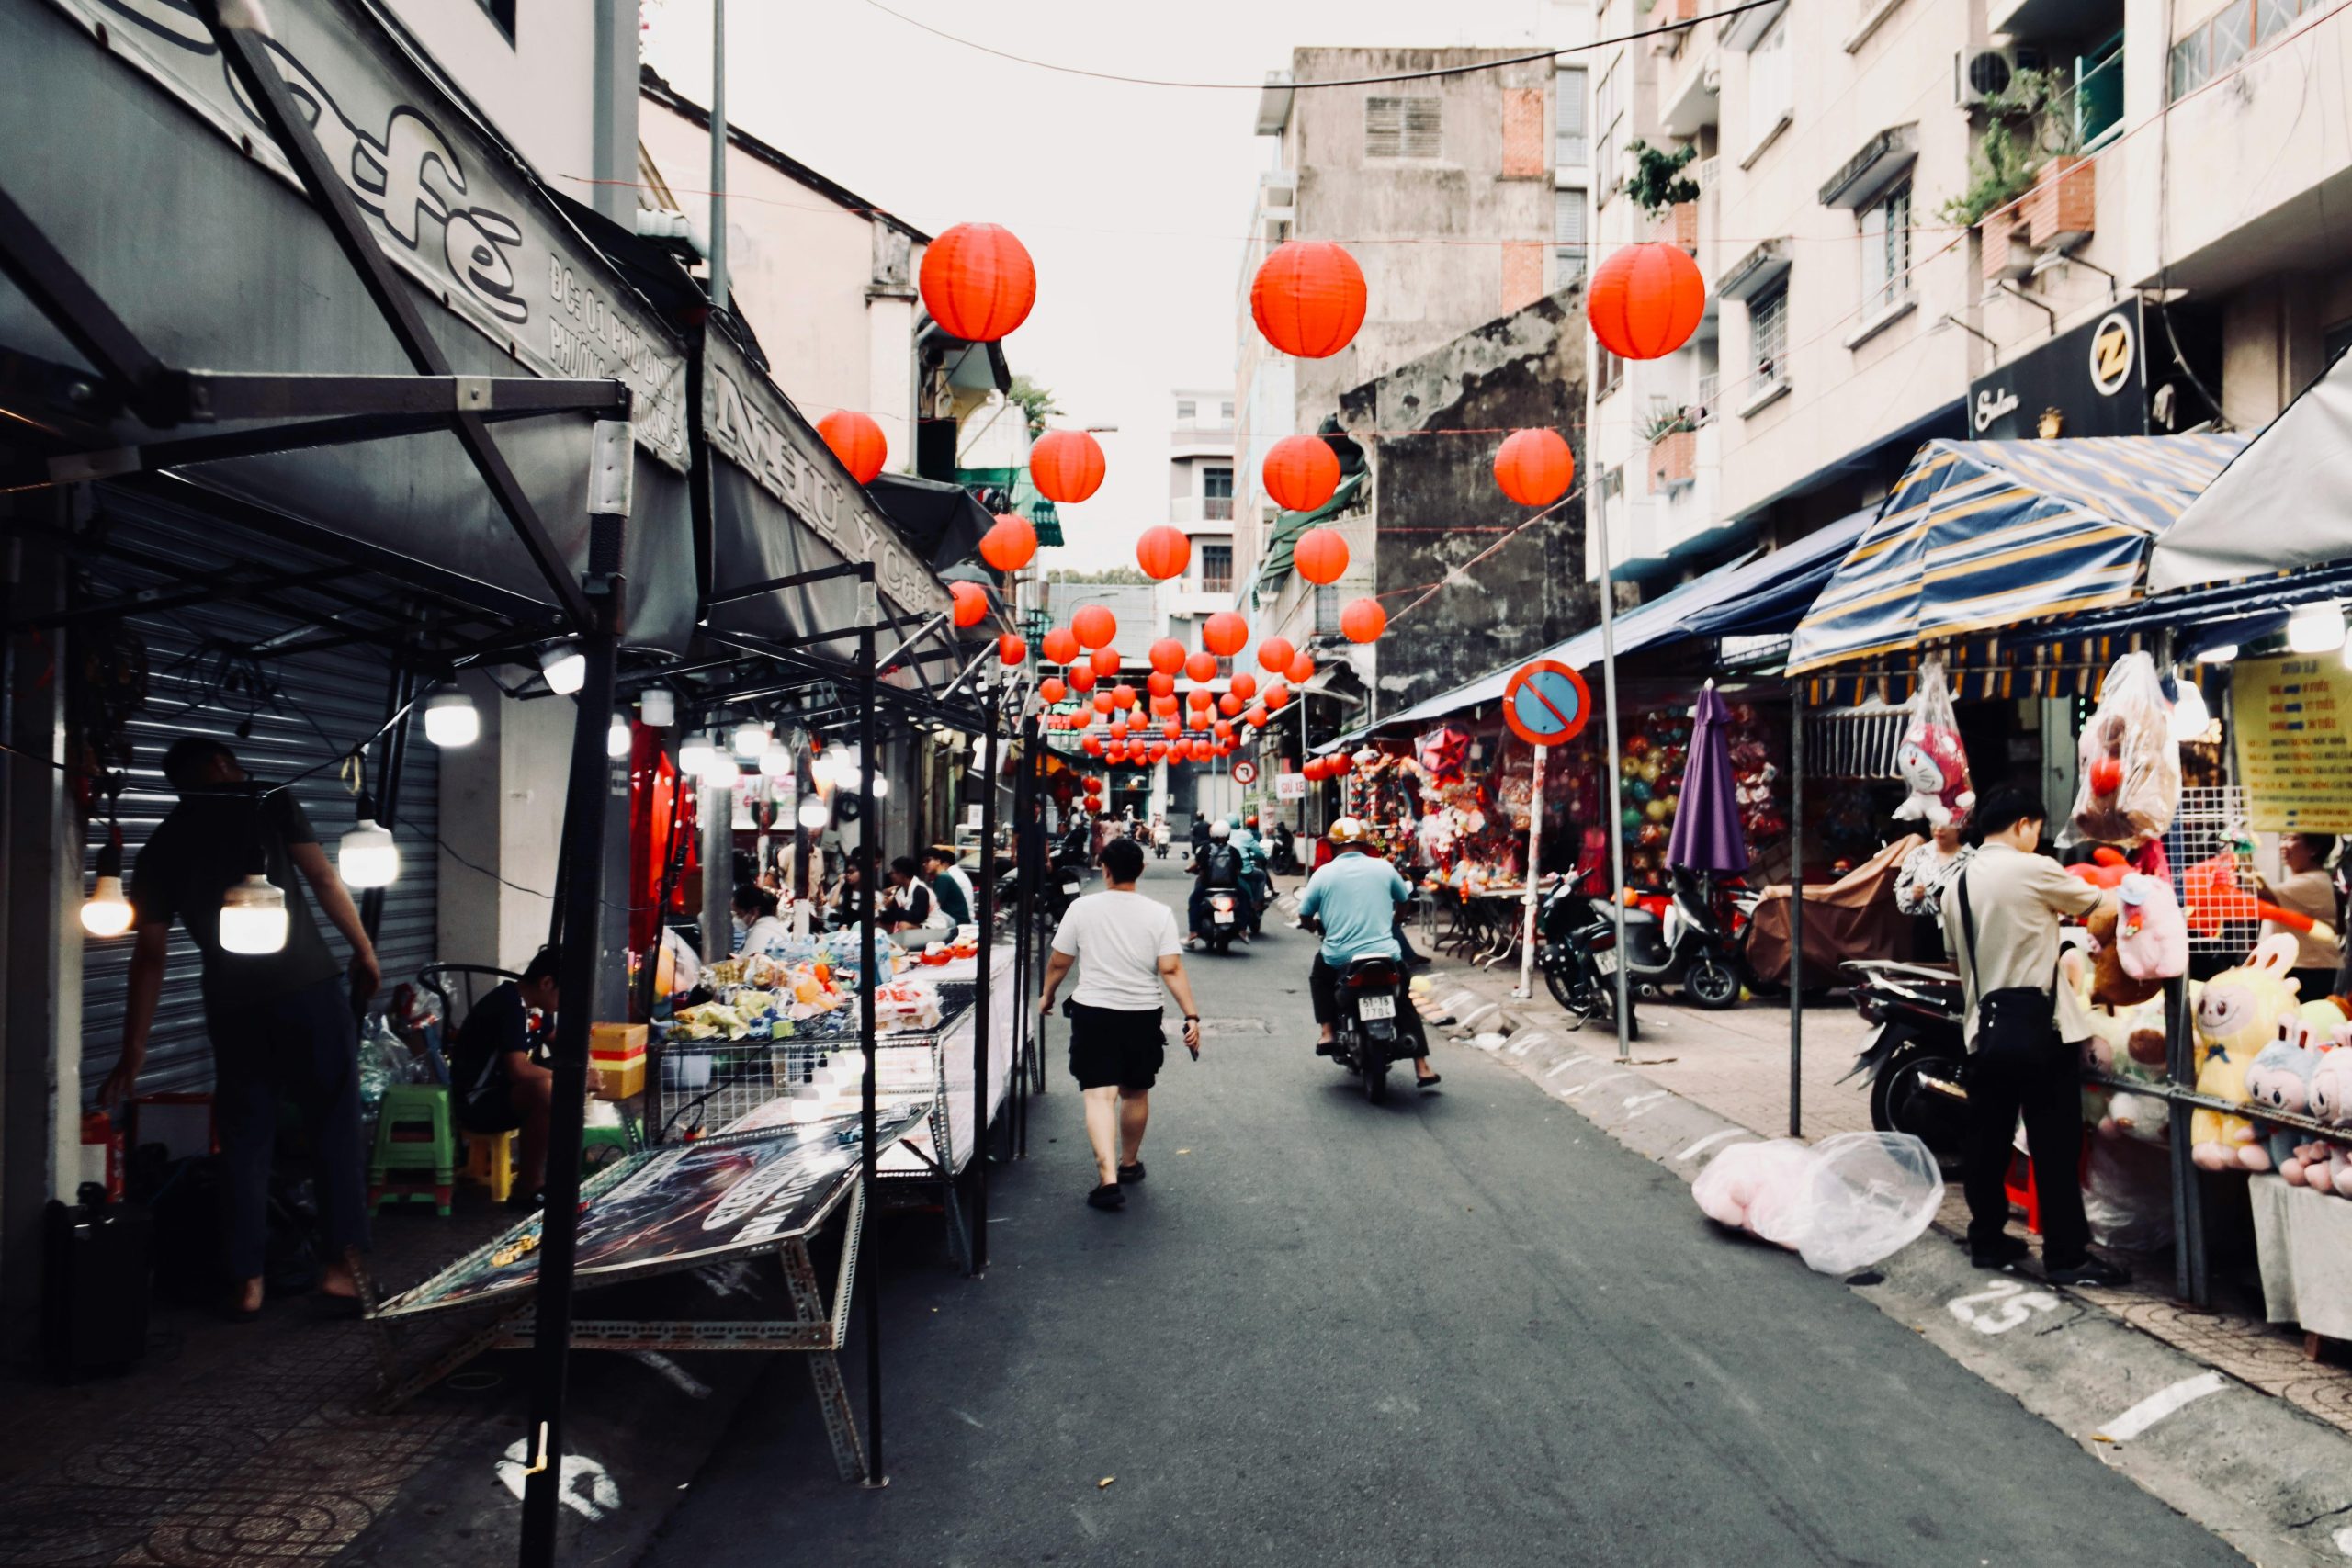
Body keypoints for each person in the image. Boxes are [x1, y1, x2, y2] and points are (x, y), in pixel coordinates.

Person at [102, 737, 379, 1317]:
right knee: (334, 1128)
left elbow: (148, 957)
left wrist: (134, 1048)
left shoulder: (161, 847)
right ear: (220, 766)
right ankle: (342, 1270)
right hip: (308, 989)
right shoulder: (271, 803)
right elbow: (326, 880)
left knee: (246, 1143)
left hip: (233, 1006)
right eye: (230, 763)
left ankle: (247, 1281)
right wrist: (364, 950)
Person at [1939, 784, 2126, 1287]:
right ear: (2024, 824)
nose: (2037, 838)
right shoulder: (2033, 867)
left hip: (1985, 1031)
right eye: (2038, 829)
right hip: (2043, 1031)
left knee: (1988, 1141)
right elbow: (2102, 901)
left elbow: (1957, 960)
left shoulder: (1957, 881)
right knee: (2055, 1144)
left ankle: (1988, 1241)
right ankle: (2066, 1256)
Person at [1038, 838, 1203, 1211]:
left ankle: (1107, 1178)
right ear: (1141, 870)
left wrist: (1047, 994)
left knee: (1099, 1094)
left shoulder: (1081, 908)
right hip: (1142, 1013)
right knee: (1135, 1091)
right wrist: (1191, 1015)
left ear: (1104, 868)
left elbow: (1060, 961)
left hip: (1093, 1011)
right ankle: (1129, 1163)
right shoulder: (1158, 913)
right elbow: (1171, 968)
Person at [1297, 817, 1441, 1089]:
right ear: (1365, 844)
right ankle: (1422, 1067)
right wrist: (1394, 920)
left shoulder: (1323, 874)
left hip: (1340, 956)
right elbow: (1404, 902)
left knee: (1319, 978)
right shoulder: (1384, 868)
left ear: (1333, 845)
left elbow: (1304, 914)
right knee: (1404, 1002)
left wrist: (1313, 926)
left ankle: (1327, 1033)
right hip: (1386, 956)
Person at [450, 946, 560, 1209]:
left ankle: (554, 1177)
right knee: (545, 1091)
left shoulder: (533, 1009)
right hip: (476, 1102)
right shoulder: (509, 1005)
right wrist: (569, 1077)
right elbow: (519, 1070)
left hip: (503, 1094)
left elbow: (559, 1042)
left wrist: (585, 1064)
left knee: (559, 1085)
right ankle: (527, 1187)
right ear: (546, 983)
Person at [2257, 832, 2342, 999]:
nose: (2283, 845)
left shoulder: (2314, 882)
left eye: (2292, 839)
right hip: (2303, 967)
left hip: (2309, 970)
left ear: (2314, 849)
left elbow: (2262, 895)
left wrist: (2243, 859)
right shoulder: (2302, 879)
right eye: (2283, 838)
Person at [1895, 822, 1975, 961]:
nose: (1939, 828)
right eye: (1934, 822)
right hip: (1923, 927)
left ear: (1961, 826)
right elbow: (1900, 891)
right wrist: (1912, 894)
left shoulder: (1973, 858)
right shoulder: (1918, 854)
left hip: (1959, 927)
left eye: (1946, 823)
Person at [1185, 818, 1245, 947]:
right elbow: (1239, 870)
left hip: (1208, 886)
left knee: (1193, 901)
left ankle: (1193, 932)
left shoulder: (1205, 849)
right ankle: (1243, 930)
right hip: (1231, 887)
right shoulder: (1233, 851)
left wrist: (1189, 869)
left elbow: (1198, 866)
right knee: (1245, 899)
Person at [883, 855, 951, 948]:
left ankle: (902, 953)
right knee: (882, 925)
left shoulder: (920, 891)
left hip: (933, 928)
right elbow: (893, 915)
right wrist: (883, 909)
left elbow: (917, 917)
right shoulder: (900, 890)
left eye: (892, 873)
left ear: (902, 874)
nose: (890, 876)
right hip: (918, 926)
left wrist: (894, 909)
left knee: (903, 925)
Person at [925, 845, 976, 928]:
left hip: (958, 921)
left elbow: (936, 905)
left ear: (940, 862)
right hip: (962, 917)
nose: (924, 865)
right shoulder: (953, 873)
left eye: (928, 861)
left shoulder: (946, 876)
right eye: (923, 862)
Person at [733, 884, 789, 958]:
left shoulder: (760, 933)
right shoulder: (774, 925)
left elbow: (748, 966)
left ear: (754, 911)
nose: (736, 919)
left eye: (739, 914)